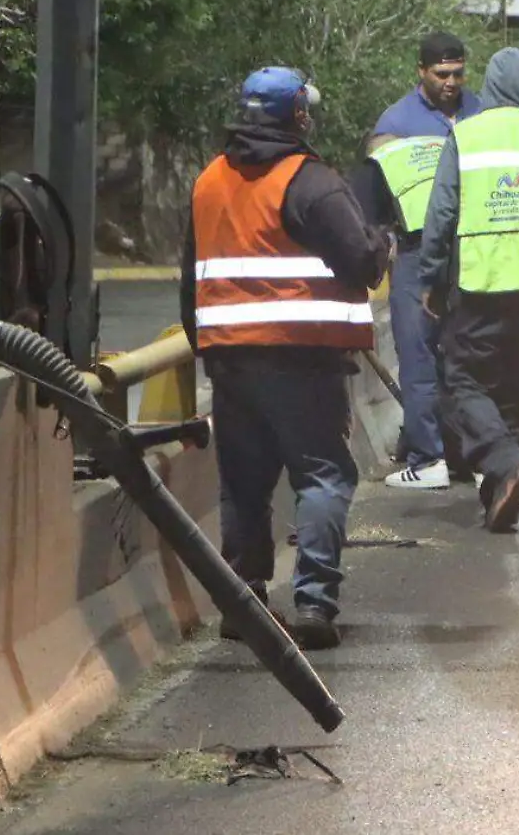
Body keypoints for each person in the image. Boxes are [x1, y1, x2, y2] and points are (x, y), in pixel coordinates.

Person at [180, 66, 394, 650]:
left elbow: (189, 284)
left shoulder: (209, 182)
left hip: (229, 362)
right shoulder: (310, 182)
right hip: (303, 361)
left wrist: (208, 349)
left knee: (244, 486)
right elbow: (361, 262)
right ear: (298, 115)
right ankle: (313, 606)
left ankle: (242, 601)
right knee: (323, 476)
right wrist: (382, 241)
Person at [416, 47, 519, 533]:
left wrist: (431, 279)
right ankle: (499, 495)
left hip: (477, 290)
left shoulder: (466, 137)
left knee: (463, 385)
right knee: (512, 390)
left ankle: (504, 461)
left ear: (490, 86)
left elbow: (442, 215)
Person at [353, 32, 484, 491]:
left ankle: (475, 453)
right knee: (419, 357)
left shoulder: (479, 113)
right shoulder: (397, 122)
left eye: (458, 74)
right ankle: (429, 458)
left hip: (471, 255)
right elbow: (372, 197)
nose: (451, 83)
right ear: (421, 72)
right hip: (414, 253)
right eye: (441, 74)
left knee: (468, 358)